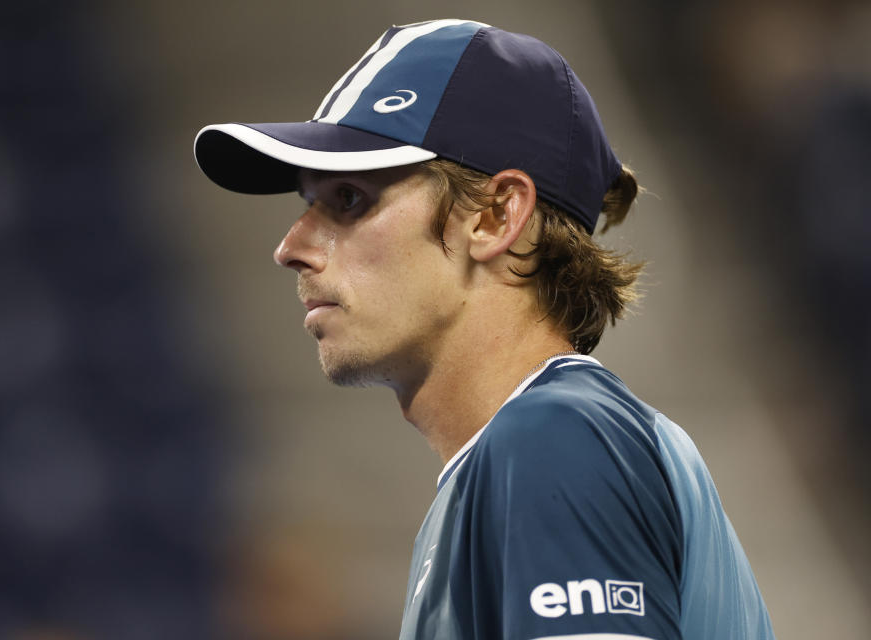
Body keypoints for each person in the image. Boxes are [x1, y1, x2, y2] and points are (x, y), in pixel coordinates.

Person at [194, 19, 775, 640]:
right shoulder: (520, 459)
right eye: (307, 204)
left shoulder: (553, 440)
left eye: (349, 200)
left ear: (496, 215)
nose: (292, 246)